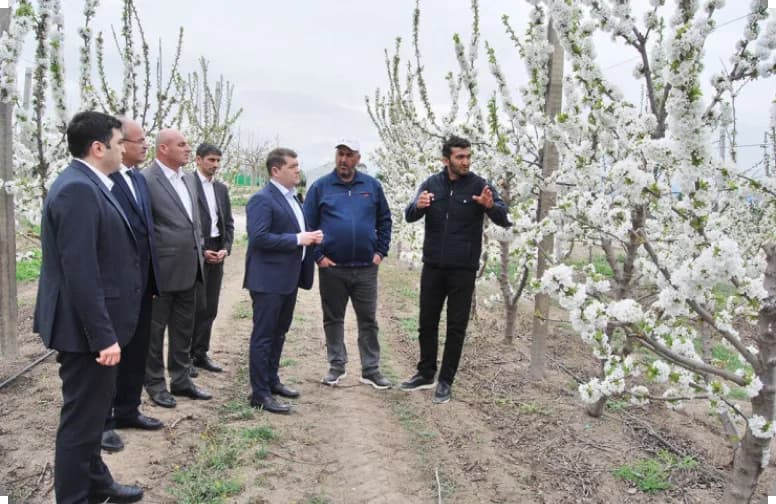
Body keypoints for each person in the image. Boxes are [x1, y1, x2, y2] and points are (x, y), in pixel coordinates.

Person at [34, 111, 144, 503]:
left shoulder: (91, 184)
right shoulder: (77, 190)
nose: (123, 150)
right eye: (118, 144)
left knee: (94, 416)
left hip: (95, 329)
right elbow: (80, 272)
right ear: (98, 148)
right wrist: (103, 337)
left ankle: (98, 483)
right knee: (81, 423)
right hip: (85, 333)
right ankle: (75, 497)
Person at [400, 135, 511, 404]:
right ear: (446, 159)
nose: (466, 161)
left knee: (456, 327)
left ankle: (445, 381)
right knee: (427, 321)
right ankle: (425, 372)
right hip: (433, 267)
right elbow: (409, 214)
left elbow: (504, 217)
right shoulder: (431, 184)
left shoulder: (479, 185)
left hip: (463, 268)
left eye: (468, 156)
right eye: (460, 157)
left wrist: (490, 206)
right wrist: (418, 206)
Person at [303, 139, 393, 389]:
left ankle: (371, 369)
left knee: (368, 320)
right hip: (333, 268)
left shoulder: (372, 186)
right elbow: (307, 224)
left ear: (358, 158)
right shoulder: (321, 187)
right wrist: (318, 257)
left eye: (349, 155)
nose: (343, 159)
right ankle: (336, 365)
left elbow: (385, 220)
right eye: (340, 154)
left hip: (366, 267)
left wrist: (380, 252)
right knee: (333, 318)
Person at [100, 118, 164, 454]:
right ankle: (104, 422)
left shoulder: (138, 179)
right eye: (139, 141)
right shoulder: (105, 182)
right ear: (120, 144)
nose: (144, 147)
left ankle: (128, 409)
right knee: (112, 356)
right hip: (117, 287)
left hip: (142, 284)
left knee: (138, 349)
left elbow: (146, 231)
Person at [244, 148, 321, 414]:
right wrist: (299, 239)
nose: (298, 170)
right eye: (293, 166)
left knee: (279, 332)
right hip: (267, 280)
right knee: (264, 336)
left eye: (298, 166)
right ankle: (260, 393)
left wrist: (308, 237)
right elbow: (259, 238)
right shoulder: (262, 199)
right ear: (276, 170)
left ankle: (272, 380)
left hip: (287, 278)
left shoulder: (293, 199)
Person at [142, 129, 211, 407]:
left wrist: (201, 248)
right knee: (155, 332)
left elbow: (193, 221)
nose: (187, 149)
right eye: (181, 144)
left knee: (184, 328)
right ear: (163, 149)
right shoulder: (147, 180)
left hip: (191, 268)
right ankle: (155, 384)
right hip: (162, 272)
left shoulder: (189, 180)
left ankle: (181, 380)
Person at [189, 143, 234, 374]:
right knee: (194, 305)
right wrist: (200, 249)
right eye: (211, 160)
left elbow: (227, 223)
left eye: (218, 160)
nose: (215, 165)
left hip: (217, 250)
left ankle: (200, 353)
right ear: (198, 160)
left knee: (210, 306)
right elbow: (186, 224)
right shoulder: (187, 185)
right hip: (197, 251)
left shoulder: (221, 189)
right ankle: (184, 356)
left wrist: (226, 247)